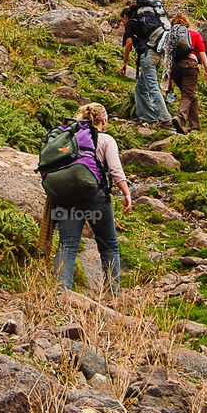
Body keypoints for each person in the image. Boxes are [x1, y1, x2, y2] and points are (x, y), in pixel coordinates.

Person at [53, 102, 133, 292]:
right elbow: (115, 170)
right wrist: (127, 193)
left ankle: (60, 291)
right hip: (95, 198)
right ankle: (113, 293)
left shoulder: (68, 137)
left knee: (67, 245)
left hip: (67, 196)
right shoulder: (106, 140)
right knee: (109, 246)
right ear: (103, 120)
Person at [119, 3, 176, 130]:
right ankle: (149, 117)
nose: (122, 23)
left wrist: (124, 63)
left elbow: (129, 43)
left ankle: (165, 118)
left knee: (152, 87)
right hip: (158, 55)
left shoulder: (131, 23)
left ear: (125, 16)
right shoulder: (145, 24)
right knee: (140, 88)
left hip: (148, 56)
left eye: (121, 20)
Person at [163, 13, 207, 132]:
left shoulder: (171, 37)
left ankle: (194, 127)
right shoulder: (194, 34)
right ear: (187, 24)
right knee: (188, 94)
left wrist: (168, 82)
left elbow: (168, 59)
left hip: (175, 68)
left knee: (190, 95)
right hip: (189, 65)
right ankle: (180, 117)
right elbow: (201, 52)